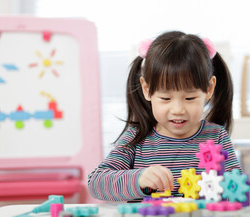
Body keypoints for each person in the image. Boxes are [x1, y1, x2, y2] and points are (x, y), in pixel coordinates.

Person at [88, 31, 242, 201]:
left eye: (189, 98)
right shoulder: (136, 137)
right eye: (165, 98)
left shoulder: (217, 137)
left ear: (208, 89)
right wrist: (139, 179)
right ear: (147, 90)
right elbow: (96, 183)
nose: (177, 109)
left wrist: (219, 189)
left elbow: (236, 188)